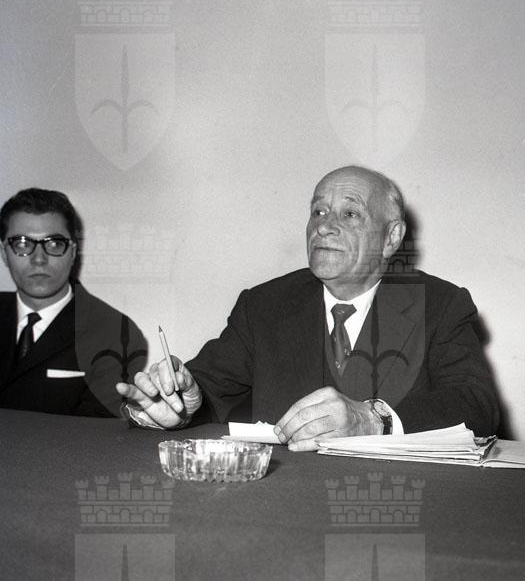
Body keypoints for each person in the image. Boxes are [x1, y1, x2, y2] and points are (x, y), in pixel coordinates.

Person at [117, 166, 499, 449]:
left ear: (391, 237)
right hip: (284, 503)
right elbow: (203, 389)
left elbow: (476, 405)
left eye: (350, 214)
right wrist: (177, 405)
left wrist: (375, 419)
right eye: (318, 212)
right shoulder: (264, 305)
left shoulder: (440, 305)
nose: (324, 227)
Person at [0, 188, 148, 416]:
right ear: (4, 252)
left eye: (54, 244)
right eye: (22, 244)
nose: (39, 259)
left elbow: (93, 431)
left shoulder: (116, 334)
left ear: (72, 252)